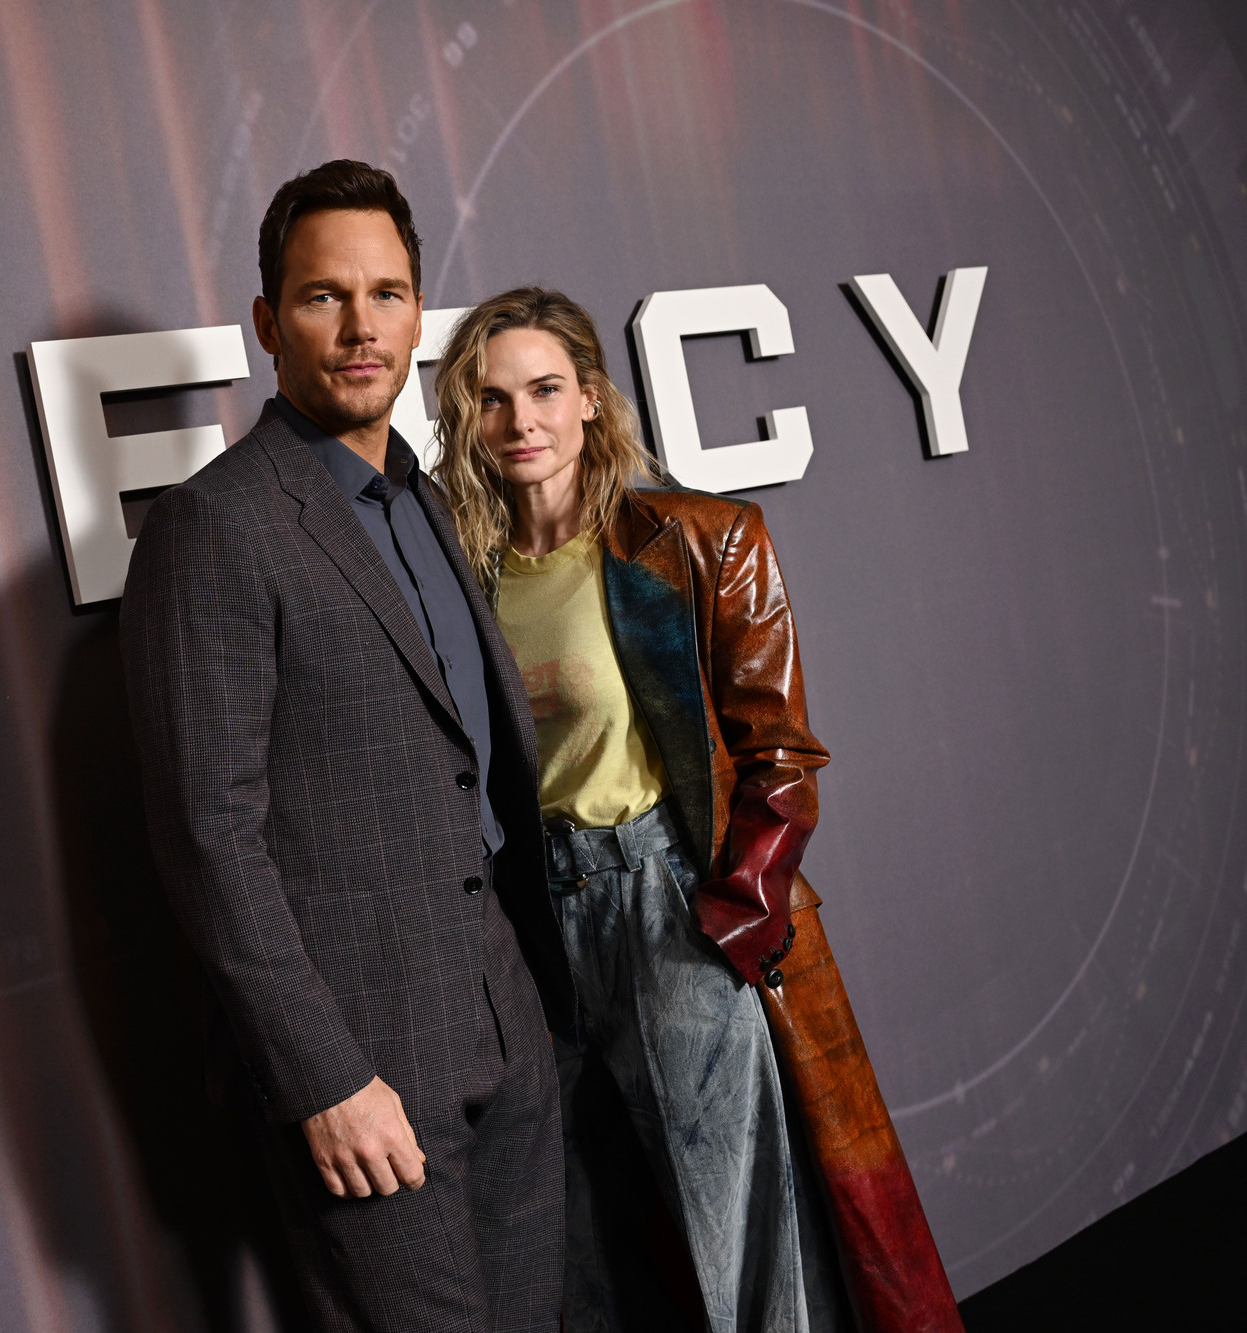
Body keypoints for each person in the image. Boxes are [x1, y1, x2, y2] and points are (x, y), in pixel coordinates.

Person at [431, 286, 963, 1333]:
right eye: (491, 399)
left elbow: (781, 753)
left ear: (591, 397)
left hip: (666, 898)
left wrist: (739, 905)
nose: (520, 421)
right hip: (535, 926)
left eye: (544, 390)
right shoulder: (462, 578)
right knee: (585, 1234)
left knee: (736, 1224)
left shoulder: (698, 538)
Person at [120, 163, 571, 1332]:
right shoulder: (213, 526)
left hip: (505, 1012)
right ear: (267, 323)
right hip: (365, 1055)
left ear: (418, 317)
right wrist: (320, 1074)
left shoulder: (427, 498)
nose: (360, 326)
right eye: (323, 296)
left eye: (386, 294)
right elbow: (209, 840)